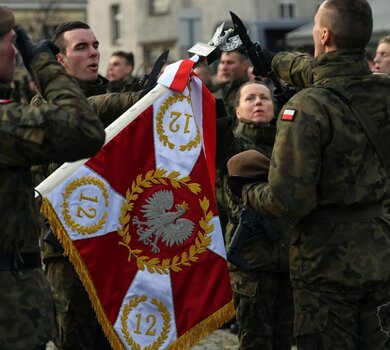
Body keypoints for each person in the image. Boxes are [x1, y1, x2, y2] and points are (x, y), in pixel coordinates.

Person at [233, 0, 390, 348]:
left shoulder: (307, 106)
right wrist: (271, 59)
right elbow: (325, 71)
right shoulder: (383, 89)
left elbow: (289, 200)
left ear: (323, 34)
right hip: (380, 253)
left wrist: (246, 189)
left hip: (325, 266)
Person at [0, 6, 105, 350]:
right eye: (7, 41)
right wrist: (42, 64)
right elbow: (84, 131)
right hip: (14, 294)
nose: (13, 50)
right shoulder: (8, 120)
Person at [32, 21, 141, 350]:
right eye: (81, 47)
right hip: (68, 247)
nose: (93, 52)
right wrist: (131, 103)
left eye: (95, 45)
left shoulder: (122, 98)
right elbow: (75, 122)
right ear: (60, 60)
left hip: (119, 241)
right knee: (77, 337)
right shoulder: (46, 104)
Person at [225, 82, 294, 349]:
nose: (258, 103)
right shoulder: (233, 144)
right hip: (251, 263)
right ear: (238, 111)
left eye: (264, 98)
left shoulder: (287, 145)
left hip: (288, 261)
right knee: (255, 342)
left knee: (284, 341)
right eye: (250, 98)